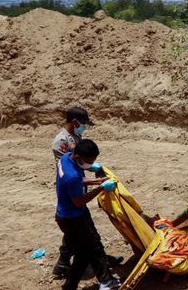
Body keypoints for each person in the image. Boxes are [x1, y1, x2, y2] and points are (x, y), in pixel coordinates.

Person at [55, 139, 122, 290]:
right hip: (75, 217)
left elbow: (79, 180)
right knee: (93, 247)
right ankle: (105, 282)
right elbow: (78, 200)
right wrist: (101, 188)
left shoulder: (66, 158)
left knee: (85, 251)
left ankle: (71, 286)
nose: (91, 164)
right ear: (78, 157)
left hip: (67, 215)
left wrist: (96, 181)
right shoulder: (71, 175)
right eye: (89, 161)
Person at [51, 107, 94, 277]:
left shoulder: (76, 137)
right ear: (75, 122)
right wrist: (95, 182)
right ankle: (84, 261)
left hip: (79, 182)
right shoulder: (60, 142)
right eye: (83, 124)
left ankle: (62, 264)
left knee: (76, 227)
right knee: (76, 227)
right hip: (71, 188)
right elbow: (68, 169)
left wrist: (91, 169)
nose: (84, 127)